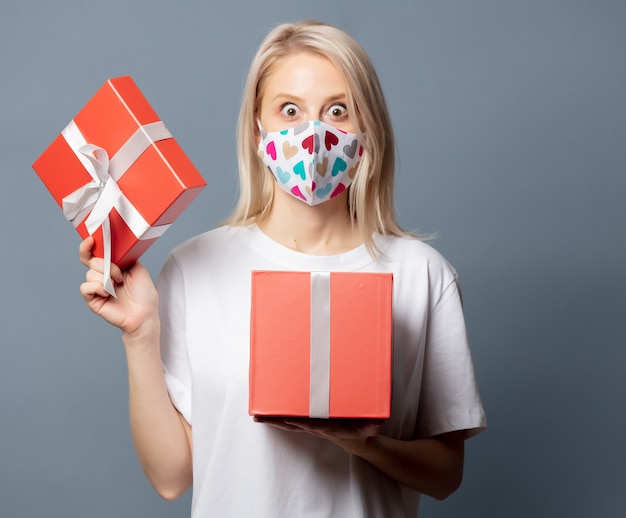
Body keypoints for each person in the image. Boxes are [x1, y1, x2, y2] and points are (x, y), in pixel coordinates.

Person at [79, 19, 486, 517]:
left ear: (368, 130)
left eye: (338, 110)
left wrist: (364, 446)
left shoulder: (423, 275)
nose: (312, 135)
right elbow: (171, 477)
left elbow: (446, 475)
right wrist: (140, 334)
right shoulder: (195, 268)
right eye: (289, 110)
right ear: (257, 131)